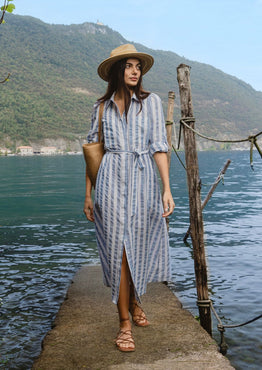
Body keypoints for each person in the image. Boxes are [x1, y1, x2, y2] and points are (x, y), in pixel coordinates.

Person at [84, 44, 175, 352]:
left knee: (137, 246)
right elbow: (92, 153)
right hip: (109, 182)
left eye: (138, 66)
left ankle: (136, 299)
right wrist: (88, 195)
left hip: (143, 182)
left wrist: (167, 188)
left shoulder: (151, 103)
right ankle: (124, 322)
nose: (135, 71)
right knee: (118, 251)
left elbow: (159, 147)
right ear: (116, 71)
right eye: (129, 66)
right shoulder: (101, 108)